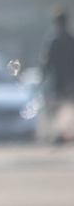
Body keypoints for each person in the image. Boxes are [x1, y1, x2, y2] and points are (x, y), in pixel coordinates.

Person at [42, 8, 74, 143]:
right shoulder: (71, 40)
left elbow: (47, 61)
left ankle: (60, 133)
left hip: (58, 80)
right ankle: (66, 132)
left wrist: (42, 75)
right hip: (70, 79)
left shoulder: (54, 40)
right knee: (68, 105)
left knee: (57, 106)